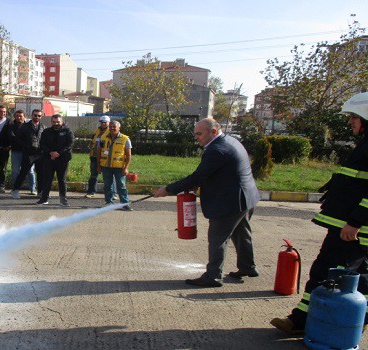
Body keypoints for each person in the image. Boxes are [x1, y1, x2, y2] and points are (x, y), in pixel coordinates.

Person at [271, 92, 368, 335]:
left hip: (352, 229)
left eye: (354, 117)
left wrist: (355, 222)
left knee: (326, 272)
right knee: (360, 276)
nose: (350, 122)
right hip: (353, 228)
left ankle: (301, 321)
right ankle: (354, 320)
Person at [153, 118, 260, 288]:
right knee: (242, 233)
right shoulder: (230, 141)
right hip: (247, 197)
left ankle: (213, 276)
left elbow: (198, 176)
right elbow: (216, 172)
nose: (196, 137)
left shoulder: (217, 150)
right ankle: (248, 267)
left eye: (199, 134)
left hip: (230, 201)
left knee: (218, 238)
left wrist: (168, 189)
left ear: (214, 132)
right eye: (195, 133)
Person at [36, 114, 74, 206]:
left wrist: (58, 153)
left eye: (58, 122)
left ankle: (63, 200)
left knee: (62, 180)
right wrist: (50, 153)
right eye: (54, 122)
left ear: (62, 122)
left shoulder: (68, 131)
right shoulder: (46, 131)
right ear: (51, 122)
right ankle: (44, 199)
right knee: (47, 179)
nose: (56, 124)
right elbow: (42, 144)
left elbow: (70, 144)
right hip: (48, 159)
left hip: (63, 159)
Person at [98, 120, 133, 211]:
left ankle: (125, 203)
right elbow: (99, 152)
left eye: (114, 127)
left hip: (119, 167)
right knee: (107, 185)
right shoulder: (103, 137)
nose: (112, 128)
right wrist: (98, 165)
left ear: (119, 128)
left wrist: (126, 168)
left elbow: (128, 155)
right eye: (110, 126)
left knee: (121, 185)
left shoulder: (125, 139)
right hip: (106, 166)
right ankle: (109, 202)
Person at [11, 109, 44, 199]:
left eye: (39, 116)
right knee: (23, 172)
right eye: (35, 115)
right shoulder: (25, 127)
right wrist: (26, 145)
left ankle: (40, 191)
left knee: (40, 174)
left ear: (41, 117)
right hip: (28, 153)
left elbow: (44, 139)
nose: (37, 117)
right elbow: (17, 138)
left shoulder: (42, 127)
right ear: (31, 115)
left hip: (39, 154)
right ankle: (15, 190)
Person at [9, 110, 36, 194]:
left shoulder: (29, 126)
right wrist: (23, 142)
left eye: (20, 116)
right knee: (15, 171)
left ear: (24, 116)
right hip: (16, 151)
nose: (19, 117)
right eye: (17, 116)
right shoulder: (11, 126)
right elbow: (12, 137)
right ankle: (15, 188)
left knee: (30, 171)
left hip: (28, 152)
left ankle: (32, 188)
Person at [86, 115, 111, 198]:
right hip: (94, 156)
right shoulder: (96, 131)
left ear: (108, 123)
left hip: (105, 157)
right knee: (93, 174)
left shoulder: (111, 132)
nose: (103, 124)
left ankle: (112, 193)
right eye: (102, 122)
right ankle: (91, 192)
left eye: (105, 122)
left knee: (108, 176)